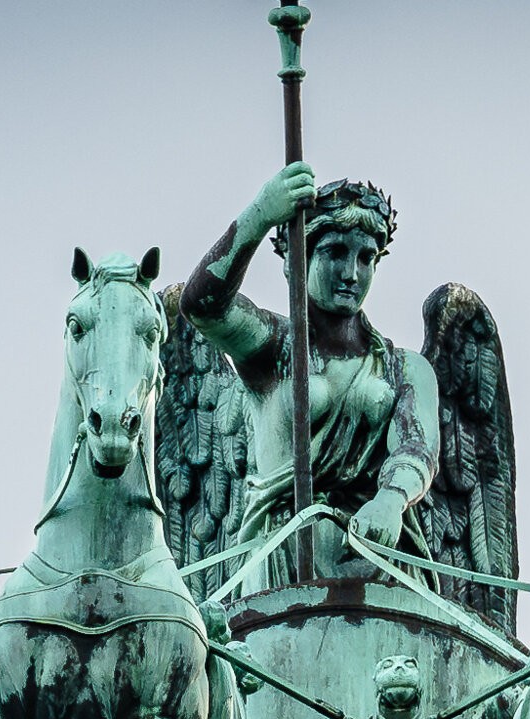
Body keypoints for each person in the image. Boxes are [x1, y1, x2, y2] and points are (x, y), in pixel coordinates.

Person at [182, 162, 440, 590]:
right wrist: (261, 214)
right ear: (297, 260)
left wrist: (391, 500)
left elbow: (416, 447)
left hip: (381, 558)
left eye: (366, 257)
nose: (351, 273)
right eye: (335, 252)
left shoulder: (405, 369)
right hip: (284, 558)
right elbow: (203, 305)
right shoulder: (273, 347)